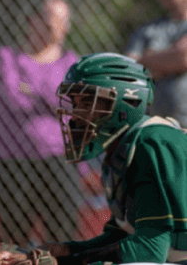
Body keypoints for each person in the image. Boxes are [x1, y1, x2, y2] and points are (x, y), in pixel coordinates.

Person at [42, 52, 187, 265]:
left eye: (86, 103)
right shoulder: (122, 150)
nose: (75, 117)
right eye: (75, 104)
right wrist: (63, 252)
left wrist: (76, 262)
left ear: (124, 102)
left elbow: (149, 250)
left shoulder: (154, 141)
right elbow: (124, 236)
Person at [0, 0, 82, 246]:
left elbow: (74, 104)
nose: (58, 25)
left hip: (59, 158)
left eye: (63, 19)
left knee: (62, 236)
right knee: (13, 237)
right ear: (33, 20)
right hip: (14, 159)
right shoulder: (8, 57)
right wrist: (54, 94)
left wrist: (34, 88)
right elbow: (13, 98)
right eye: (51, 16)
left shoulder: (72, 62)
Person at [125, 0, 187, 126]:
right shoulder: (146, 30)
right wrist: (173, 57)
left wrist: (148, 60)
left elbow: (184, 57)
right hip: (153, 127)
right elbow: (131, 73)